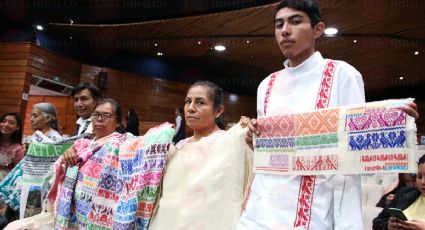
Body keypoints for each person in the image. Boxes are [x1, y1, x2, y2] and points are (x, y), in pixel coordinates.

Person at [238, 1, 419, 229]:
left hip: (315, 209)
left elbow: (353, 148)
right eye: (279, 24)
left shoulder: (341, 74)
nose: (284, 30)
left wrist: (392, 120)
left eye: (295, 21)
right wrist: (256, 139)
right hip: (262, 206)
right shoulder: (267, 84)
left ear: (318, 29)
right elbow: (271, 151)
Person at [149, 81, 252, 230]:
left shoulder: (229, 142)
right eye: (188, 101)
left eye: (200, 102)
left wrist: (247, 132)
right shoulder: (176, 147)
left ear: (219, 111)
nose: (190, 108)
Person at [373, 154, 425, 230]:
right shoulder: (404, 193)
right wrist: (387, 226)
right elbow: (377, 222)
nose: (423, 182)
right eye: (419, 177)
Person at [0, 112, 24, 181]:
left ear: (17, 127)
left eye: (11, 123)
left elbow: (18, 171)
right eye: (4, 121)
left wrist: (6, 166)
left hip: (4, 182)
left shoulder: (17, 149)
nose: (6, 124)